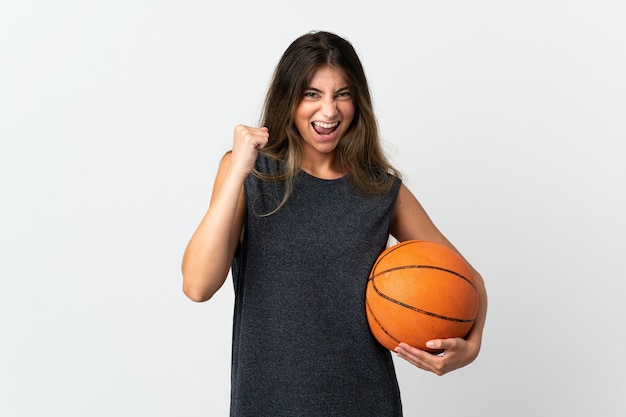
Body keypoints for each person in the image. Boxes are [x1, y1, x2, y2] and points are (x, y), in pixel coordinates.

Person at [182, 31, 487, 416]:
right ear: (288, 99)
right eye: (312, 94)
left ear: (357, 101)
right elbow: (197, 285)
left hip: (366, 403)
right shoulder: (250, 172)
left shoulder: (380, 189)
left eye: (342, 94)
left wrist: (471, 348)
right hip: (267, 405)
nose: (329, 111)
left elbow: (468, 279)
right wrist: (239, 170)